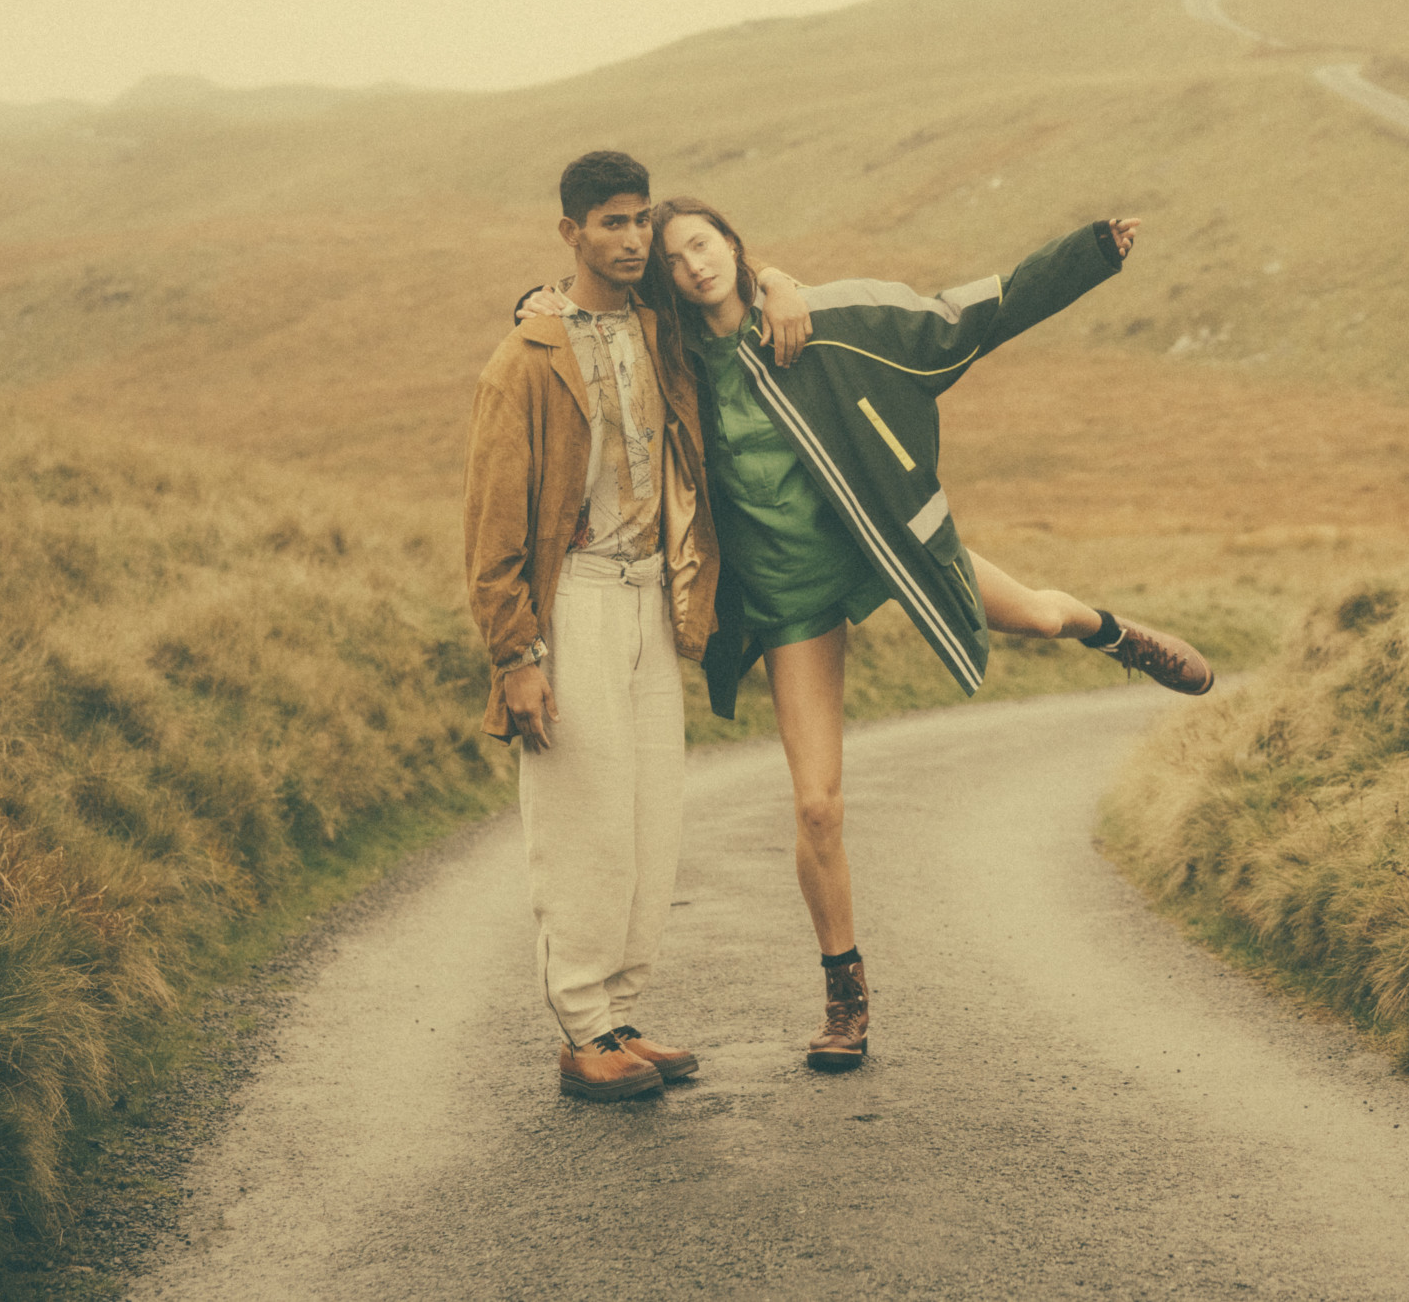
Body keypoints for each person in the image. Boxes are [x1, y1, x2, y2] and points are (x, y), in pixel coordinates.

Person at [521, 191, 1213, 1071]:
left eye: (703, 244)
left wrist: (1089, 254)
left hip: (880, 545)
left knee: (1040, 615)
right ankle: (844, 996)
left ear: (731, 241)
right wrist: (536, 304)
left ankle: (1110, 633)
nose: (694, 265)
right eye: (675, 260)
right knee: (817, 806)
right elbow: (590, 330)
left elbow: (962, 319)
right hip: (789, 602)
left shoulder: (823, 321)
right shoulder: (672, 360)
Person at [463, 151, 719, 1103]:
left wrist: (777, 284)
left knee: (651, 816)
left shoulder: (660, 329)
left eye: (641, 219)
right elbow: (493, 526)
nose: (634, 238)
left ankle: (620, 1012)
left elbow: (733, 284)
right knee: (583, 821)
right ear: (571, 232)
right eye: (612, 222)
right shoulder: (525, 360)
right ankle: (581, 1032)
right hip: (573, 602)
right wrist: (516, 656)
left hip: (652, 594)